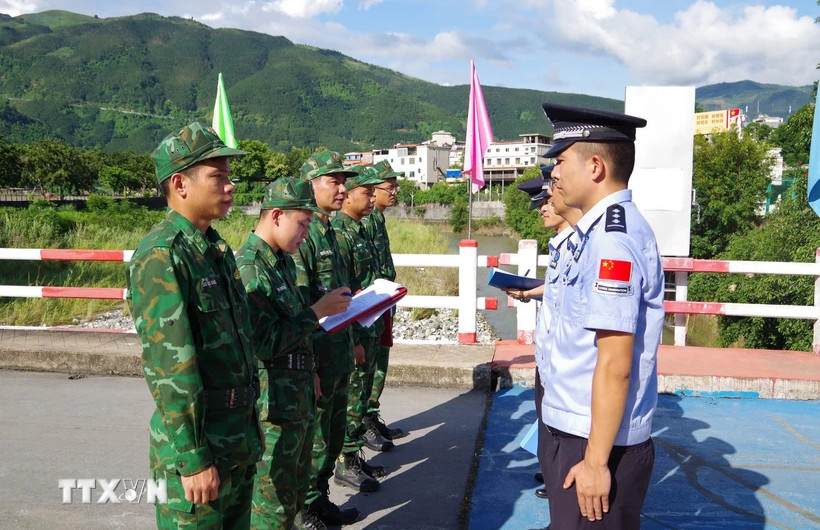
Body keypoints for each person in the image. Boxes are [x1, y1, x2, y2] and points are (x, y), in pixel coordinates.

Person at [126, 122, 262, 529]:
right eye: (218, 176)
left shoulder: (214, 250)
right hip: (200, 448)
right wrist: (193, 458)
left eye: (229, 176)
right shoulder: (161, 256)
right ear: (180, 185)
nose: (230, 186)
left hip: (238, 441)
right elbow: (170, 369)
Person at [539, 103, 664, 529]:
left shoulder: (612, 242)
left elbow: (615, 364)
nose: (552, 173)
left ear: (594, 167)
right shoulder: (595, 234)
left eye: (560, 161)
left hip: (595, 443)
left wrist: (595, 462)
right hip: (579, 432)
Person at [236, 178, 352, 529]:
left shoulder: (281, 261)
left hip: (296, 398)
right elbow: (264, 342)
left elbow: (295, 334)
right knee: (271, 506)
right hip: (272, 409)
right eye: (302, 223)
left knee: (293, 499)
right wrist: (318, 311)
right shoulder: (251, 268)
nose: (306, 233)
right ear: (275, 216)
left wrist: (312, 371)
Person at [292, 150, 372, 530]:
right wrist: (308, 366)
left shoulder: (331, 230)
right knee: (313, 439)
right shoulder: (302, 235)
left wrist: (354, 339)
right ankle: (306, 508)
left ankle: (321, 497)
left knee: (332, 434)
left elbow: (342, 295)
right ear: (311, 185)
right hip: (318, 355)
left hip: (339, 350)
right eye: (333, 181)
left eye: (344, 182)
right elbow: (299, 307)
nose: (342, 189)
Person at [506, 165, 583, 501]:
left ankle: (560, 481)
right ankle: (555, 475)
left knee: (562, 435)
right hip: (551, 353)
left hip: (565, 358)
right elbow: (556, 289)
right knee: (551, 431)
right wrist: (528, 292)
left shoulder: (580, 243)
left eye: (546, 199)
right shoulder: (562, 243)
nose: (542, 208)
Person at [360, 160, 406, 443]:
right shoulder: (364, 220)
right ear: (372, 191)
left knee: (380, 360)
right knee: (367, 365)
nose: (395, 192)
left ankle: (371, 413)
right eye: (389, 187)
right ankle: (362, 422)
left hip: (382, 302)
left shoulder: (377, 218)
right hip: (370, 305)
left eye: (395, 186)